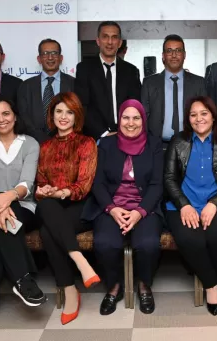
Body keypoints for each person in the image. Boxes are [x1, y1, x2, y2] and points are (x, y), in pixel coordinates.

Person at [0, 96, 45, 336]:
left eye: (6, 113)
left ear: (15, 116)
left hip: (22, 202)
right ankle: (23, 279)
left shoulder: (30, 143)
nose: (1, 119)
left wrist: (8, 198)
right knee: (0, 224)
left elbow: (27, 183)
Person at [83, 100, 164, 315]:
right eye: (126, 117)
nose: (130, 123)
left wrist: (139, 212)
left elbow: (157, 184)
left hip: (144, 207)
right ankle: (114, 286)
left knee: (148, 244)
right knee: (105, 243)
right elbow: (98, 183)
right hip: (112, 207)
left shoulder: (154, 145)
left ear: (143, 120)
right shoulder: (106, 145)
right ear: (119, 119)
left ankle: (144, 284)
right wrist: (111, 208)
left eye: (136, 117)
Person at [164, 96, 217, 318]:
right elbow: (169, 179)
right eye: (193, 114)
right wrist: (184, 205)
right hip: (182, 203)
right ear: (188, 119)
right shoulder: (177, 142)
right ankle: (211, 285)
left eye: (204, 113)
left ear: (213, 116)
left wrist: (214, 204)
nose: (199, 119)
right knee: (191, 239)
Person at [35, 92, 100, 325]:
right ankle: (79, 263)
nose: (63, 117)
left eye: (69, 112)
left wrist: (61, 191)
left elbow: (84, 184)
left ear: (77, 116)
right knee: (48, 208)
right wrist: (43, 191)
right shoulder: (45, 146)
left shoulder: (87, 143)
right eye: (59, 111)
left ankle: (71, 289)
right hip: (52, 205)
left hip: (80, 206)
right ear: (52, 115)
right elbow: (40, 181)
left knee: (47, 229)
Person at [76, 21, 142, 139]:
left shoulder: (131, 71)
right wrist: (104, 133)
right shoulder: (84, 69)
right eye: (105, 37)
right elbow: (82, 106)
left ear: (120, 43)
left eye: (114, 37)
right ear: (98, 41)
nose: (110, 42)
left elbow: (134, 105)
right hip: (95, 137)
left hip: (125, 135)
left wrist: (124, 131)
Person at [142, 34, 206, 143]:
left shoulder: (199, 83)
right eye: (169, 51)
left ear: (184, 55)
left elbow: (205, 116)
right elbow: (143, 116)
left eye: (178, 50)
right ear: (163, 55)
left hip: (190, 144)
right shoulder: (149, 83)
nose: (174, 55)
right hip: (157, 146)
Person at [17, 38, 75, 144]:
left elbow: (78, 114)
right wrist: (41, 139)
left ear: (61, 58)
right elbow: (23, 116)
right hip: (34, 144)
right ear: (39, 59)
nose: (50, 57)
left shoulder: (73, 84)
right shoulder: (26, 86)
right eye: (45, 53)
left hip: (67, 143)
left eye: (54, 53)